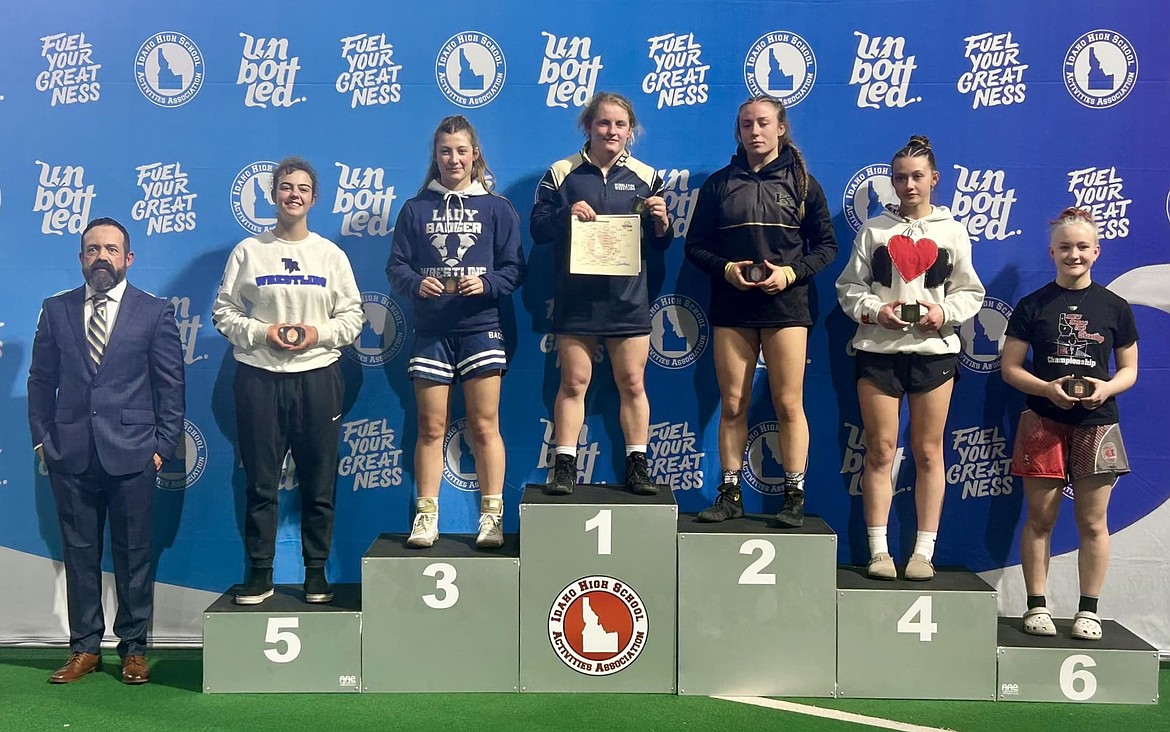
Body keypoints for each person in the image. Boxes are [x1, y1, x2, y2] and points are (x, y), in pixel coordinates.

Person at [28, 217, 185, 684]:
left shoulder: (154, 312)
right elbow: (41, 381)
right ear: (81, 259)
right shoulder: (55, 310)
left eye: (111, 250)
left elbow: (170, 387)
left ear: (128, 259)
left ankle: (133, 649)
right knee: (79, 555)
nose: (102, 257)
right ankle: (85, 648)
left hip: (134, 453)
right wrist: (42, 439)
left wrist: (161, 446)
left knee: (135, 554)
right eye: (93, 249)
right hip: (70, 453)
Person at [212, 157, 363, 605]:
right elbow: (224, 312)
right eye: (284, 187)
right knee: (260, 483)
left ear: (314, 199)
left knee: (319, 481)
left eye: (302, 188)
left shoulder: (330, 255)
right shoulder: (248, 251)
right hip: (259, 377)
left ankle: (316, 572)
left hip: (318, 378)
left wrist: (318, 333)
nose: (293, 194)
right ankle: (260, 572)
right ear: (272, 194)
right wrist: (263, 332)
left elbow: (353, 317)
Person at [685, 95, 838, 528]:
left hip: (787, 306)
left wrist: (790, 274)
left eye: (764, 123)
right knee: (732, 403)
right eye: (747, 124)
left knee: (788, 403)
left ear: (781, 128)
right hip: (732, 306)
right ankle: (730, 492)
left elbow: (826, 247)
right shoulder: (718, 184)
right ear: (739, 132)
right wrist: (727, 268)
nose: (755, 131)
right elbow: (695, 246)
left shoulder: (805, 184)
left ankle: (794, 495)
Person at [836, 135, 984, 580]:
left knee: (927, 451)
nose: (908, 185)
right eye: (900, 177)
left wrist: (944, 312)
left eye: (917, 176)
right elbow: (849, 288)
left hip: (934, 355)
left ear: (934, 179)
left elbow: (970, 291)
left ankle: (923, 553)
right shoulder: (873, 230)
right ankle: (878, 551)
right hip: (878, 353)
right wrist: (875, 310)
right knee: (879, 450)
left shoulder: (952, 231)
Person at [386, 115, 525, 549]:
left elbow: (515, 268)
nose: (453, 159)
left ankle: (492, 516)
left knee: (485, 425)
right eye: (445, 151)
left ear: (475, 154)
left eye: (461, 150)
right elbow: (396, 267)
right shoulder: (415, 209)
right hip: (432, 331)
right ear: (436, 156)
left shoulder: (497, 208)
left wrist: (486, 284)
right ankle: (426, 516)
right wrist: (415, 284)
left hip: (481, 328)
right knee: (430, 427)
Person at [1001, 207, 1138, 640]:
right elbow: (1010, 368)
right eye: (1065, 247)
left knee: (1093, 522)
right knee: (1040, 519)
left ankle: (1089, 610)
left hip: (1098, 422)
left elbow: (1129, 370)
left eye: (1081, 247)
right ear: (1052, 252)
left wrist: (1107, 389)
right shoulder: (1032, 305)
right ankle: (1036, 605)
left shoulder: (1115, 307)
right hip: (1043, 420)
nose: (1073, 254)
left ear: (1096, 252)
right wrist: (1045, 389)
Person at [530, 91, 672, 496]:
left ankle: (637, 464)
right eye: (603, 123)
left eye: (620, 125)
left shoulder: (647, 176)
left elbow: (661, 245)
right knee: (574, 382)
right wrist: (565, 214)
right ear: (587, 126)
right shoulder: (562, 172)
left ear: (631, 131)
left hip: (629, 297)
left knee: (632, 382)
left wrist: (662, 223)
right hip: (577, 298)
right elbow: (538, 229)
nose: (612, 131)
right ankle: (564, 465)